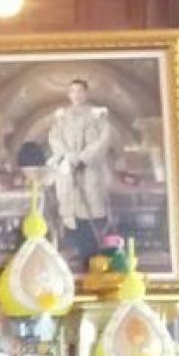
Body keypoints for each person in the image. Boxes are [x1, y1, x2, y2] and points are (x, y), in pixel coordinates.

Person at [43, 79, 114, 263]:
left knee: (90, 207)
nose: (76, 95)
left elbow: (103, 139)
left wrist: (82, 158)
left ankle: (94, 252)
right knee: (70, 209)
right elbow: (55, 138)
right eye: (73, 92)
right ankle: (77, 250)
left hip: (90, 169)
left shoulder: (97, 116)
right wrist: (68, 157)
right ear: (69, 95)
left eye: (80, 91)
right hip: (68, 169)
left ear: (86, 93)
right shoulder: (62, 118)